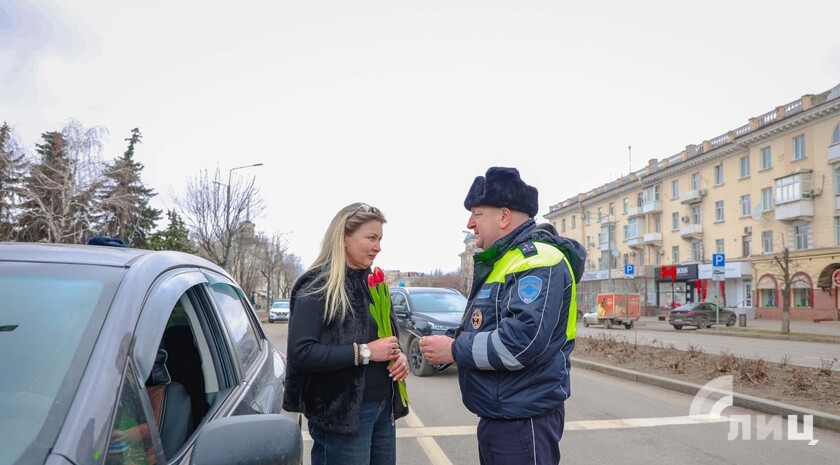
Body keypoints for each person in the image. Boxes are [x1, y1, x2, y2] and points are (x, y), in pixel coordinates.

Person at [419, 167, 586, 465]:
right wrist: (449, 344)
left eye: (477, 214)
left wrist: (455, 350)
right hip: (504, 415)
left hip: (522, 420)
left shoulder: (537, 261)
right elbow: (490, 326)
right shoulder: (506, 260)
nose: (470, 223)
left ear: (504, 217)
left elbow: (520, 343)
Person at [283, 202, 410, 465]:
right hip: (341, 417)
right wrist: (366, 352)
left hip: (382, 409)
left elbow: (387, 341)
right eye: (371, 238)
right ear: (343, 238)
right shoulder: (318, 285)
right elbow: (301, 353)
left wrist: (399, 358)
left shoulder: (373, 284)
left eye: (380, 239)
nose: (378, 247)